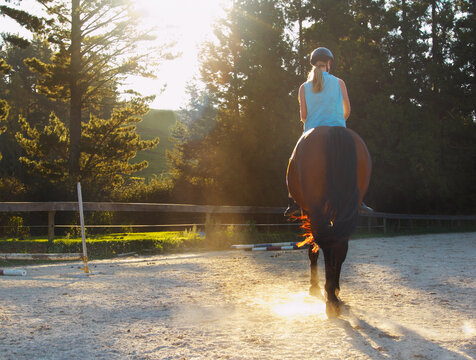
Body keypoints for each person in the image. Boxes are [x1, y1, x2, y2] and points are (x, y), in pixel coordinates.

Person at [285, 47, 373, 215]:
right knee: (353, 161)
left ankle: (292, 201)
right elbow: (347, 111)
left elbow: (303, 116)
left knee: (293, 161)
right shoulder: (339, 82)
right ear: (329, 64)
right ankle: (359, 200)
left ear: (313, 65)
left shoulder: (303, 88)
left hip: (311, 129)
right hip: (338, 128)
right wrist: (338, 119)